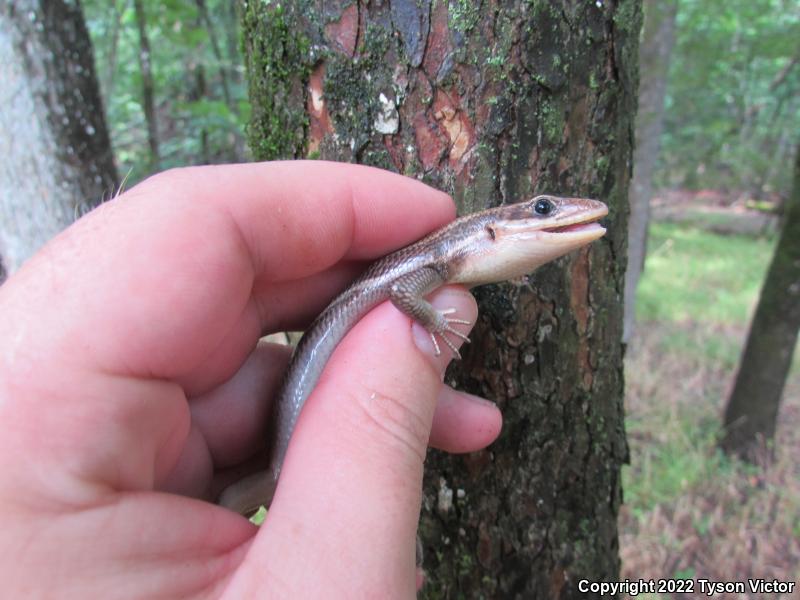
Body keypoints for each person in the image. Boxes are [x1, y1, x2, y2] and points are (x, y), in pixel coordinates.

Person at [0, 161, 502, 597]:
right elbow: (400, 296)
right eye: (539, 211)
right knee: (277, 477)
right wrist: (435, 323)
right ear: (490, 232)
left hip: (274, 437)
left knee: (264, 485)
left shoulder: (440, 259)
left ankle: (231, 517)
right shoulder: (433, 263)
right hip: (280, 443)